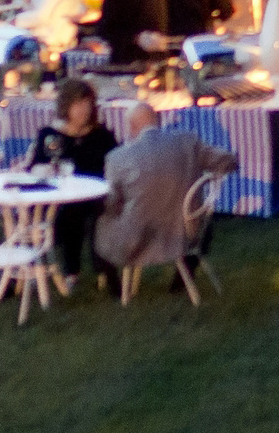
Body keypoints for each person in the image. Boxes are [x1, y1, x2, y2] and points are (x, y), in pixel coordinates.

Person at [93, 104, 238, 294]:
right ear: (158, 121)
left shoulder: (117, 158)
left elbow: (113, 203)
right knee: (202, 220)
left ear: (132, 127)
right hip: (187, 234)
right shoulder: (188, 142)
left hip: (138, 238)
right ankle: (182, 280)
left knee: (99, 222)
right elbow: (228, 161)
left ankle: (114, 287)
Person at [30, 77, 118, 290]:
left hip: (97, 196)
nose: (83, 110)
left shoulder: (100, 135)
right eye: (78, 105)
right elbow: (35, 167)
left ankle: (106, 272)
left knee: (100, 214)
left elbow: (118, 163)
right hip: (62, 197)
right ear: (66, 106)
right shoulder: (52, 135)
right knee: (69, 212)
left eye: (87, 104)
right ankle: (70, 270)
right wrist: (47, 169)